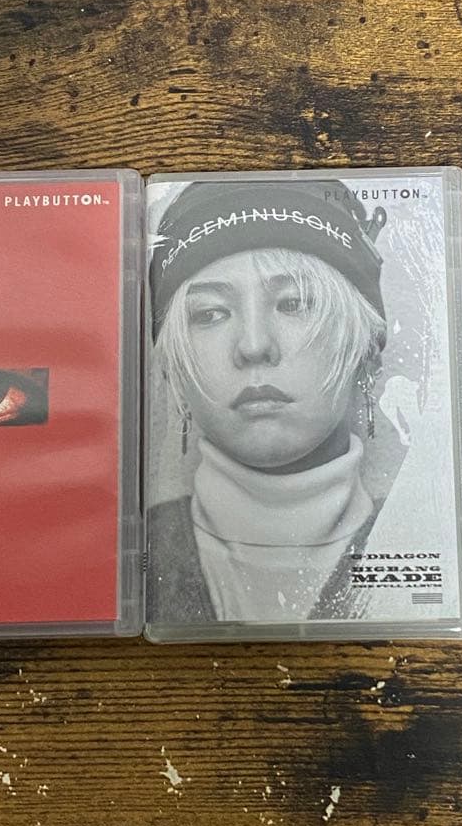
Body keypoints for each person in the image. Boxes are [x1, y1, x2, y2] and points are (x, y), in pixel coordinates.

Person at [147, 179, 388, 624]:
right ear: (173, 365)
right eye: (210, 314)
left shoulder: (432, 541)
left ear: (367, 347)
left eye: (294, 303)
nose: (254, 346)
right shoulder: (128, 558)